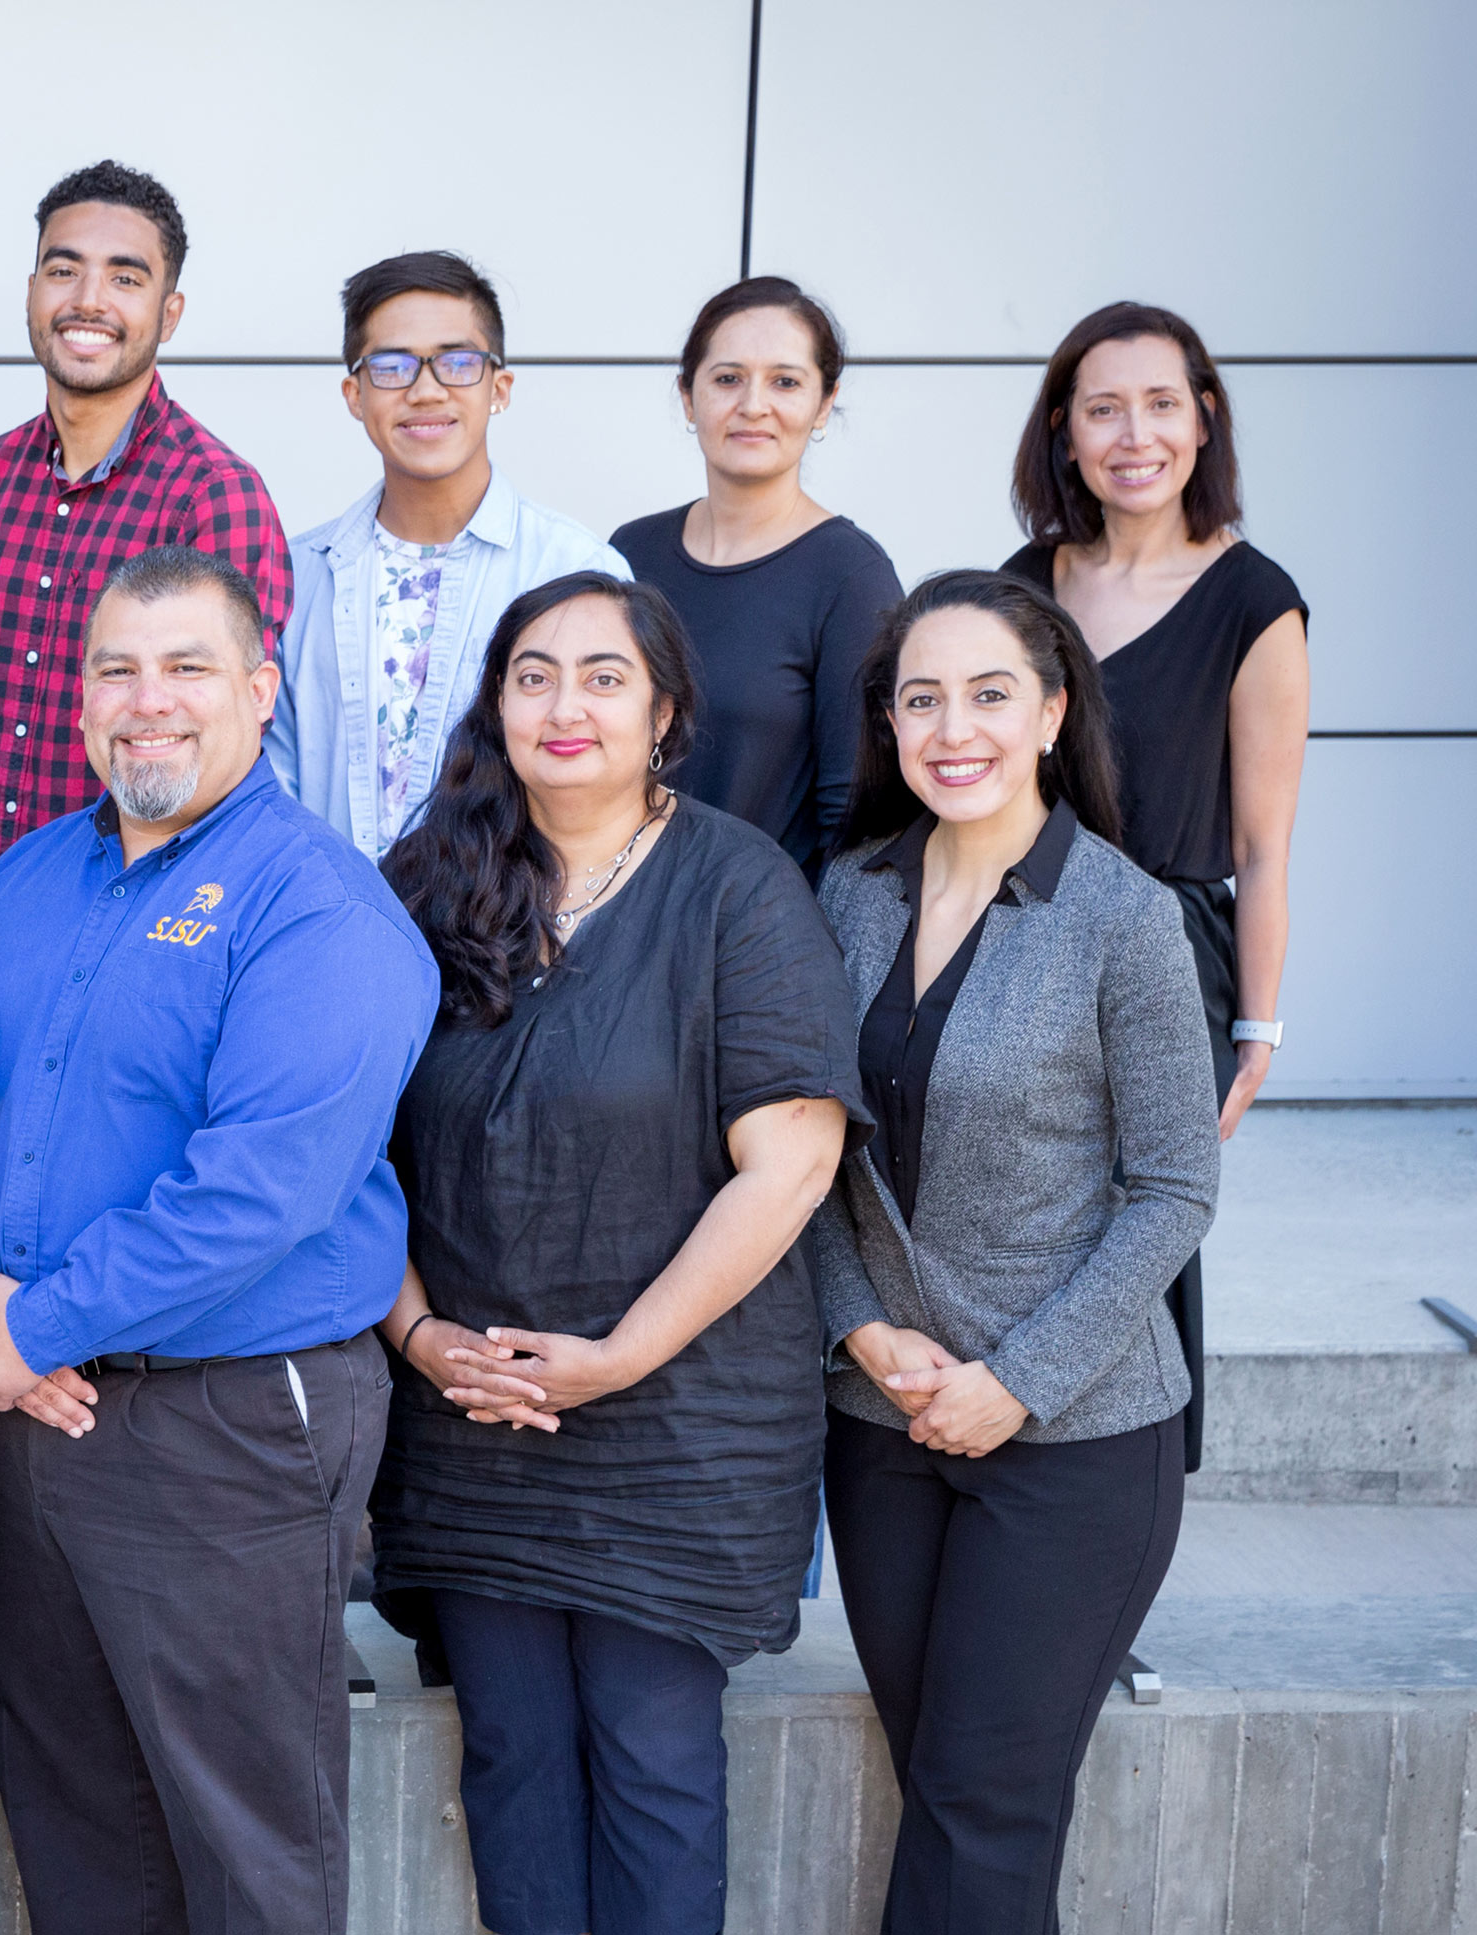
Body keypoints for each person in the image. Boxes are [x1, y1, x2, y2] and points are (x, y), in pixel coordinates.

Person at [0, 545, 437, 1934]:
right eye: (115, 669)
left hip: (225, 1422)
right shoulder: (22, 882)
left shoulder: (316, 906)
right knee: (74, 1813)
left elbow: (258, 1188)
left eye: (186, 666)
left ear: (261, 689)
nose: (145, 700)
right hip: (26, 1412)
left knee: (242, 1838)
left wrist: (25, 1324)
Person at [369, 575, 860, 1935]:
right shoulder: (429, 881)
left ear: (665, 709)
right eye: (533, 672)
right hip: (475, 1408)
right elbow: (347, 1151)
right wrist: (417, 1333)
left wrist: (617, 1357)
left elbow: (795, 1159)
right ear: (497, 702)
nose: (564, 703)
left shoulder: (738, 888)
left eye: (602, 674)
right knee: (515, 1757)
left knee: (651, 1757)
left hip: (678, 1417)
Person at [809, 570, 1217, 1934]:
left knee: (985, 1797)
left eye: (989, 692)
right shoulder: (844, 895)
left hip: (1077, 1436)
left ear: (1051, 708)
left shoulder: (1126, 917)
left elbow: (1171, 1190)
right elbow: (798, 1164)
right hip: (881, 1416)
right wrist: (859, 1326)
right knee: (953, 1785)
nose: (952, 725)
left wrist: (1021, 1377)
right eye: (920, 696)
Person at [999, 302, 1306, 1472]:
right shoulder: (1023, 582)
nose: (1134, 434)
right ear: (1064, 433)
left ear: (1202, 418)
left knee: (1139, 1231)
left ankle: (1125, 1498)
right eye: (1102, 408)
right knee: (1011, 1214)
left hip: (1166, 954)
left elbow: (1265, 844)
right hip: (1016, 930)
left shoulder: (1251, 600)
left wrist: (1256, 1029)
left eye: (1160, 403)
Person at [0, 160, 291, 959]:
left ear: (170, 310)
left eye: (125, 277)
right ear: (30, 292)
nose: (88, 300)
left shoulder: (212, 497)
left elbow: (224, 746)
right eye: (64, 270)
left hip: (131, 949)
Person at [268, 250, 631, 861]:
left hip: (514, 937)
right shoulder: (297, 575)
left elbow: (610, 791)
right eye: (392, 366)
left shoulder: (578, 573)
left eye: (458, 363)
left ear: (500, 388)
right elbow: (271, 788)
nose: (426, 390)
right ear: (354, 394)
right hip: (326, 936)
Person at [610, 277, 903, 875]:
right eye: (727, 378)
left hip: (755, 940)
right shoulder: (628, 552)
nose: (752, 405)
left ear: (824, 404)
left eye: (786, 382)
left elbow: (856, 820)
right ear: (688, 398)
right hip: (610, 917)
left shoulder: (852, 576)